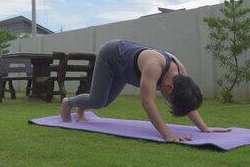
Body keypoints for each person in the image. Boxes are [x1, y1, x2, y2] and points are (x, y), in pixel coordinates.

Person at [61, 39, 230, 142]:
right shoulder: (154, 67)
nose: (166, 101)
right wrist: (168, 134)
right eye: (169, 100)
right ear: (169, 87)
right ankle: (68, 103)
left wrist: (205, 128)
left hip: (125, 69)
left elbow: (187, 100)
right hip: (111, 56)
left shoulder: (180, 73)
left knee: (104, 102)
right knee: (98, 101)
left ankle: (81, 107)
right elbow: (148, 103)